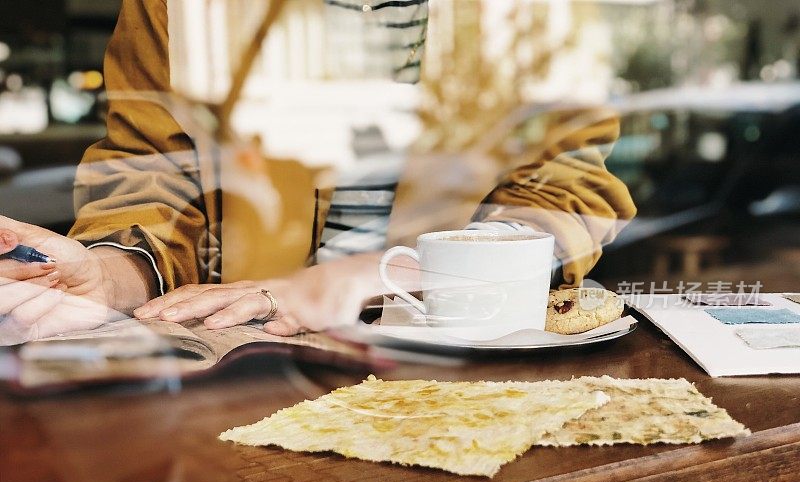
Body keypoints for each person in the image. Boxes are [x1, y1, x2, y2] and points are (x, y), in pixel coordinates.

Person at [0, 0, 635, 344]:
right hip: (236, 364)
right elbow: (150, 172)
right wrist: (113, 273)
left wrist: (373, 278)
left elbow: (569, 194)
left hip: (460, 363)